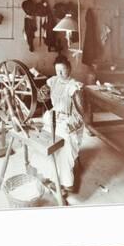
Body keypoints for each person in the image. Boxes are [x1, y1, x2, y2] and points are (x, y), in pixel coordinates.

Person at [31, 54, 85, 199]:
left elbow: (81, 115)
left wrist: (70, 126)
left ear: (69, 69)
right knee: (45, 142)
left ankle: (65, 181)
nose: (59, 74)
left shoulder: (75, 87)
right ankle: (48, 174)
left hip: (70, 121)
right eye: (57, 71)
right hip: (54, 118)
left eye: (62, 70)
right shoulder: (53, 81)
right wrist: (41, 94)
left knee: (64, 144)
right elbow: (42, 97)